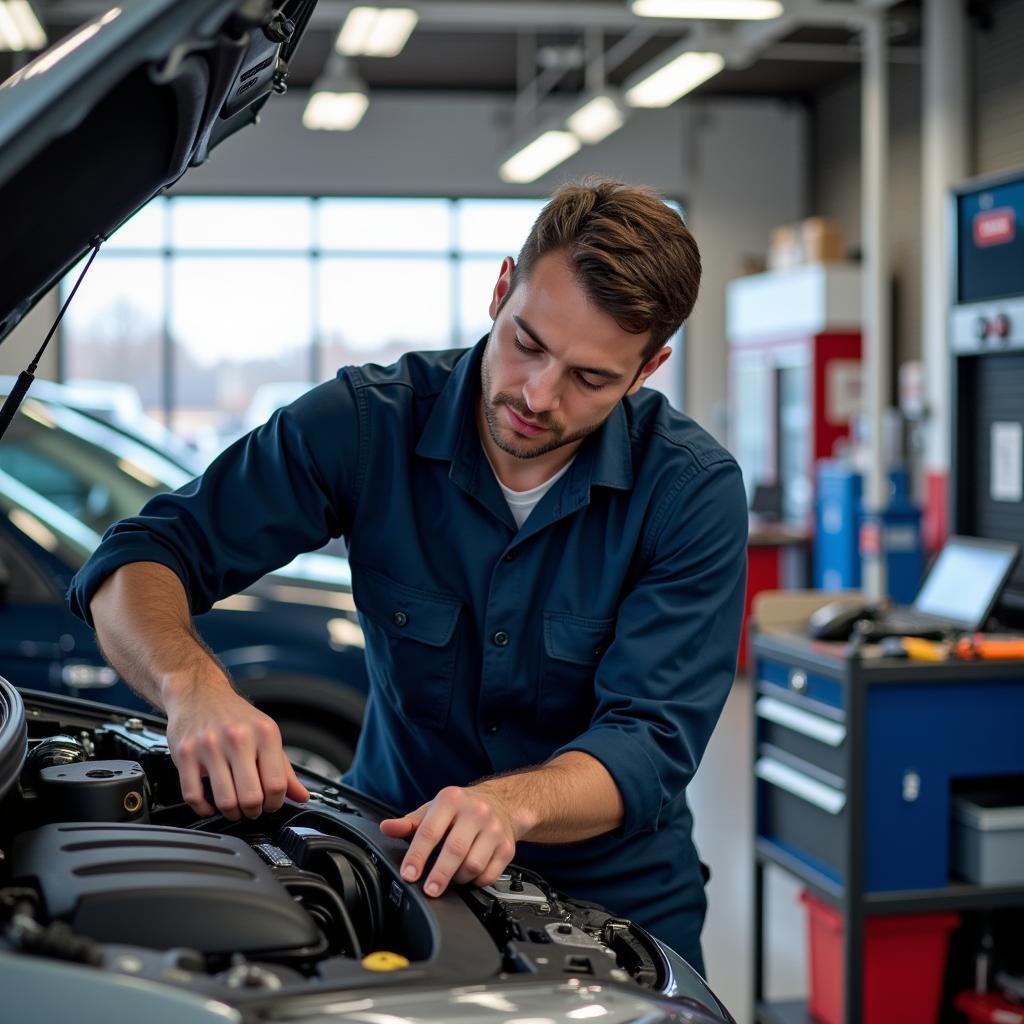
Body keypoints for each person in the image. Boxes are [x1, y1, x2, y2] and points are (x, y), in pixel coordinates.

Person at [68, 177, 747, 974]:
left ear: (648, 369)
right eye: (527, 341)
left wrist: (507, 804)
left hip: (618, 906)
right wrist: (193, 688)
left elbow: (649, 740)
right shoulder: (367, 424)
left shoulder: (689, 491)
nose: (538, 394)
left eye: (590, 379)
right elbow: (140, 558)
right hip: (397, 871)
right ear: (501, 289)